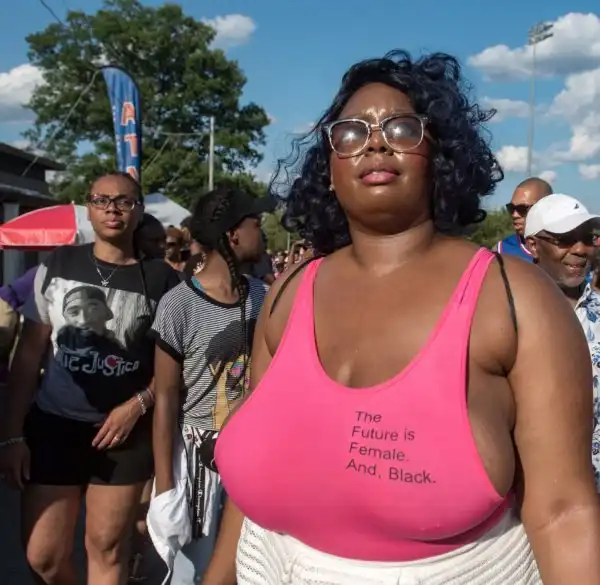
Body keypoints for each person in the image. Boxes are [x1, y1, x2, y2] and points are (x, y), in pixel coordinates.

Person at [204, 51, 600, 585]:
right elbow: (251, 483)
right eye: (350, 132)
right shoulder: (288, 294)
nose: (374, 142)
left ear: (439, 154)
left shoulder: (516, 299)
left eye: (401, 128)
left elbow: (564, 514)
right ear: (329, 168)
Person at [0, 171, 180, 585]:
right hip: (54, 427)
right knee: (43, 557)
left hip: (123, 437)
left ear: (139, 211)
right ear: (89, 207)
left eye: (124, 201)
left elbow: (175, 366)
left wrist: (137, 405)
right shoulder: (59, 264)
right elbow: (27, 356)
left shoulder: (163, 280)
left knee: (108, 549)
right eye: (102, 200)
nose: (112, 209)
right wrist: (10, 436)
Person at [148, 187, 270, 584]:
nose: (262, 232)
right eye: (256, 224)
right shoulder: (179, 304)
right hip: (198, 460)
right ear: (233, 234)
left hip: (252, 454)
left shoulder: (264, 297)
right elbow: (166, 397)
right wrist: (166, 488)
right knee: (193, 572)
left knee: (245, 565)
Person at [523, 193, 600, 488]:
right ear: (533, 245)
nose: (580, 250)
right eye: (565, 239)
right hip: (531, 490)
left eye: (587, 238)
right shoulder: (503, 313)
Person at [495, 177, 552, 260]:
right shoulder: (502, 250)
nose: (515, 215)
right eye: (511, 208)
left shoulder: (567, 248)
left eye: (522, 209)